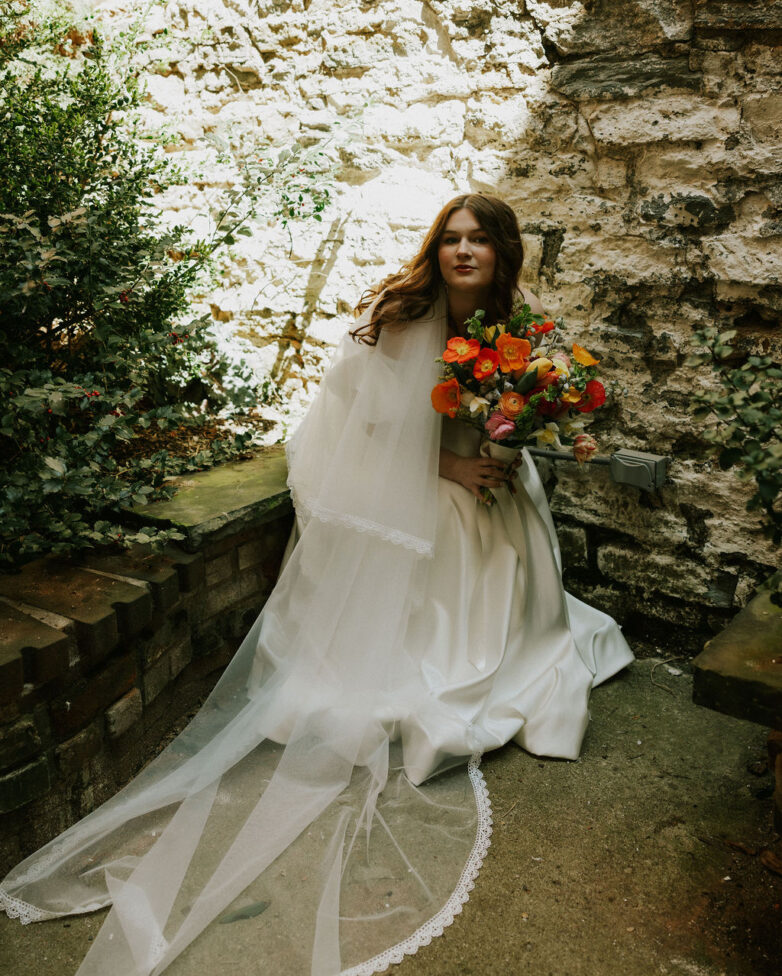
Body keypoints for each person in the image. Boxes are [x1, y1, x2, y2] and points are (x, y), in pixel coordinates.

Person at [0, 193, 634, 976]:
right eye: (450, 240)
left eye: (478, 241)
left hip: (493, 478)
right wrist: (450, 466)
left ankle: (510, 641)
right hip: (427, 483)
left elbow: (532, 400)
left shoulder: (522, 326)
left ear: (503, 251)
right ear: (436, 250)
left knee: (512, 569)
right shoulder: (403, 317)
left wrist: (517, 434)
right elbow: (367, 423)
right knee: (432, 584)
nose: (463, 253)